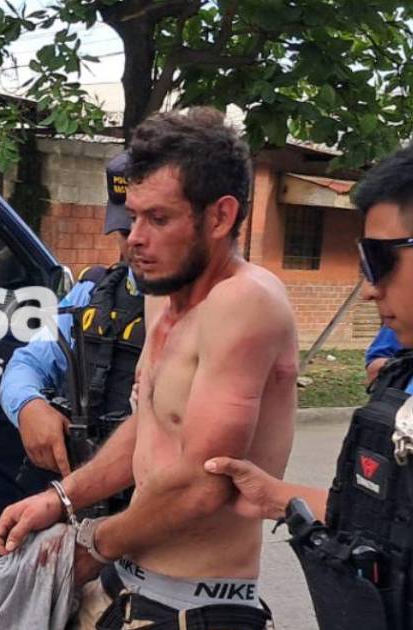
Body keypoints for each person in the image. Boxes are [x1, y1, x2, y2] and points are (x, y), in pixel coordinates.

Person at [0, 108, 297, 630]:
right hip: (125, 584)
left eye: (158, 219)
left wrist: (93, 542)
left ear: (220, 217)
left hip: (194, 606)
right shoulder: (163, 296)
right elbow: (151, 423)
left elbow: (205, 485)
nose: (134, 237)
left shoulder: (245, 302)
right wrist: (61, 499)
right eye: (132, 217)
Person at [205, 144, 413, 630]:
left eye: (380, 259)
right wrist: (275, 496)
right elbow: (385, 520)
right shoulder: (402, 378)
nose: (369, 288)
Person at [0, 151, 145, 479]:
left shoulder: (212, 307)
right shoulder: (92, 291)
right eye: (127, 230)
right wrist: (28, 406)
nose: (138, 240)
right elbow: (28, 362)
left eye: (155, 222)